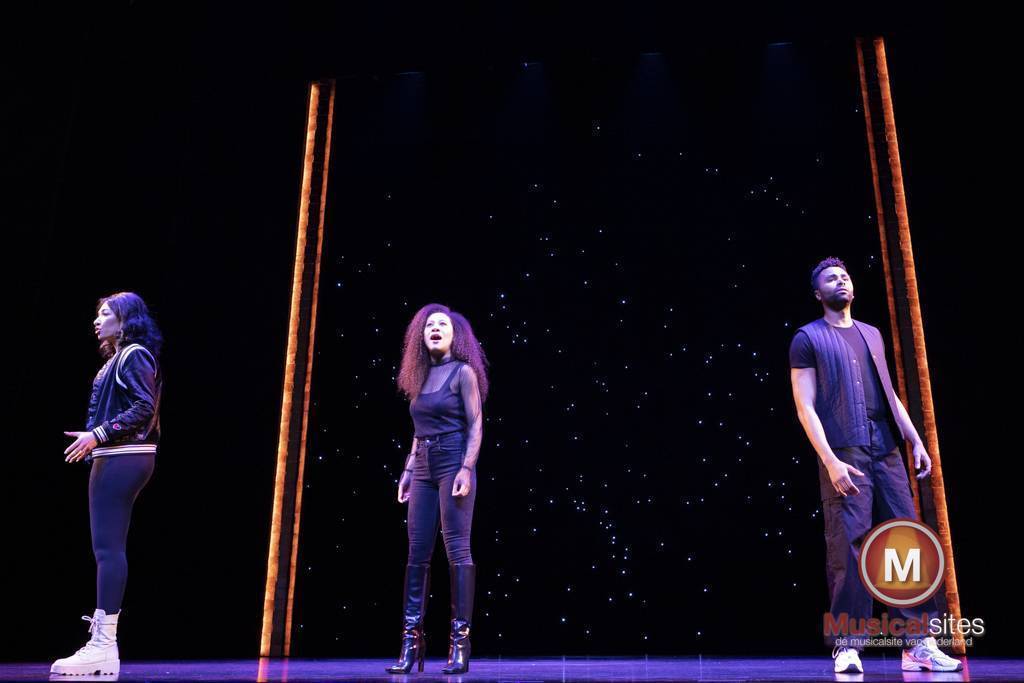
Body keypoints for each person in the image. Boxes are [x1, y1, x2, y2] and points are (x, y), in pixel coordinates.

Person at [789, 258, 962, 674]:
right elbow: (804, 406)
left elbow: (890, 393)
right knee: (849, 547)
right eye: (831, 278)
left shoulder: (872, 334)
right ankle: (848, 646)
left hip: (885, 449)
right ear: (817, 293)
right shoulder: (807, 338)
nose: (841, 280)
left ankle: (918, 644)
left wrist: (914, 439)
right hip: (845, 452)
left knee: (904, 541)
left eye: (844, 275)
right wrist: (829, 460)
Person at [51, 293, 163, 677]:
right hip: (118, 455)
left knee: (108, 549)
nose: (97, 320)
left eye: (105, 313)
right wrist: (96, 437)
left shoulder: (133, 355)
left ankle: (104, 644)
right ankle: (103, 643)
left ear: (125, 319)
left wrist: (97, 434)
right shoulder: (120, 358)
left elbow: (144, 406)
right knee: (106, 548)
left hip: (124, 456)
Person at [386, 304, 488, 675]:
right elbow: (418, 431)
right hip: (424, 464)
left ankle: (460, 643)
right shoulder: (420, 377)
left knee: (457, 550)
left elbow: (476, 424)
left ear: (454, 334)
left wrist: (466, 468)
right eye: (429, 324)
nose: (435, 328)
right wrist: (408, 470)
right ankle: (411, 642)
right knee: (417, 553)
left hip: (453, 460)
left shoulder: (463, 373)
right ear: (421, 335)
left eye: (442, 324)